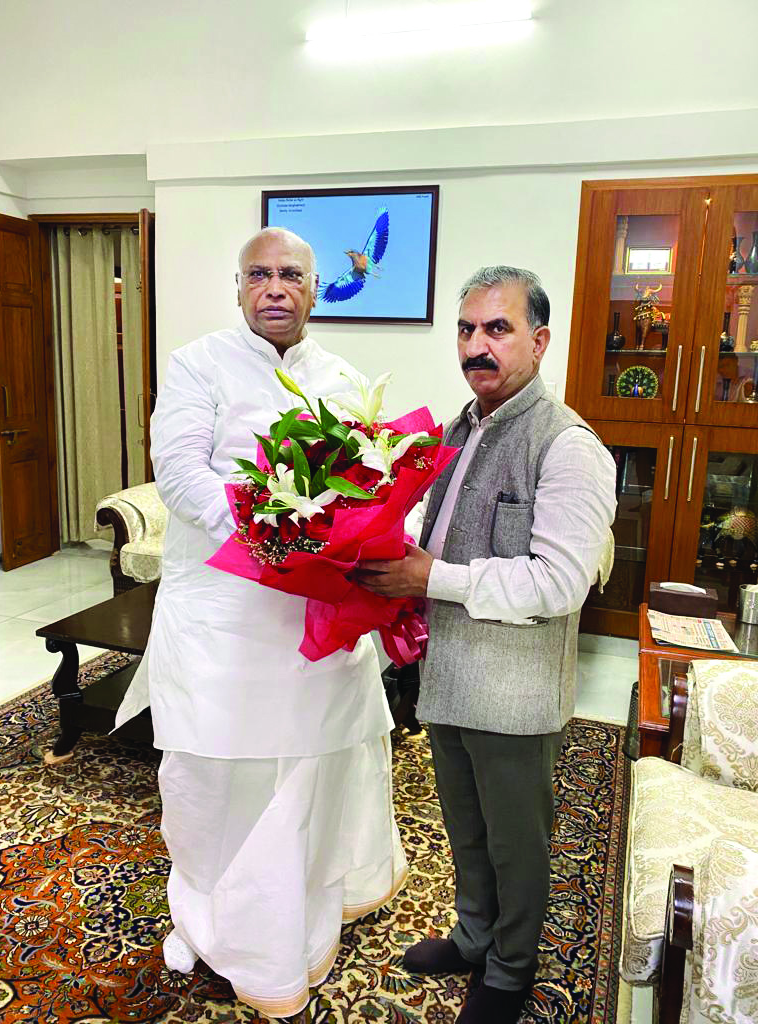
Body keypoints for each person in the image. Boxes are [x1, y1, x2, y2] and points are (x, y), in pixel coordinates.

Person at [114, 228, 407, 1018]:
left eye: (291, 276)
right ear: (238, 286)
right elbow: (179, 473)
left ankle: (303, 917)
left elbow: (368, 483)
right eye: (259, 275)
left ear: (314, 291)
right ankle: (213, 917)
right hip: (223, 616)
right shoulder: (197, 365)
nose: (275, 288)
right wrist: (268, 533)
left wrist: (355, 539)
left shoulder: (343, 378)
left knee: (314, 767)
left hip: (314, 622)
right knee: (215, 778)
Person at [357, 266, 616, 1023]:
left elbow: (558, 583)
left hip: (512, 688)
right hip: (448, 673)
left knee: (515, 842)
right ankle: (474, 937)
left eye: (498, 328)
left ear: (539, 341)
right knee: (464, 826)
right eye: (467, 329)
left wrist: (429, 576)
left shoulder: (567, 446)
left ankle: (509, 969)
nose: (478, 345)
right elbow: (440, 532)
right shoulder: (458, 427)